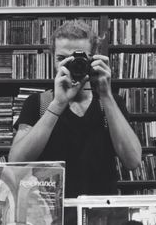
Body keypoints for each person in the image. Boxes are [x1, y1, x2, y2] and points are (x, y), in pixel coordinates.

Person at [9, 20, 142, 199]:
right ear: (52, 58)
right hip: (51, 212)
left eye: (78, 59)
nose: (70, 66)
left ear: (93, 59)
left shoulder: (110, 102)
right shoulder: (38, 103)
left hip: (100, 213)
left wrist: (106, 95)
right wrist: (57, 104)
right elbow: (16, 162)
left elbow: (132, 161)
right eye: (61, 59)